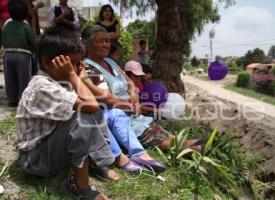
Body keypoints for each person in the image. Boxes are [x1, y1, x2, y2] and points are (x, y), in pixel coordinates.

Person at [16, 28, 113, 200]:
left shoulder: (60, 81)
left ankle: (95, 162)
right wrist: (74, 77)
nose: (75, 69)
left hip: (49, 149)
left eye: (77, 63)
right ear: (47, 63)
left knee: (92, 112)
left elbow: (94, 105)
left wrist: (76, 77)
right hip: (34, 160)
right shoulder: (42, 86)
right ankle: (80, 185)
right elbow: (91, 106)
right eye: (71, 64)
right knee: (82, 115)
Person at [81, 25, 203, 154]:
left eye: (107, 41)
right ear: (87, 45)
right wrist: (132, 105)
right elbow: (107, 99)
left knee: (173, 138)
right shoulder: (88, 68)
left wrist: (134, 95)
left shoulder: (111, 63)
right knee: (176, 145)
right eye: (100, 41)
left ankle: (200, 145)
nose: (106, 45)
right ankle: (201, 148)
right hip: (121, 120)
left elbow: (129, 81)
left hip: (135, 115)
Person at [2, 0, 37, 107]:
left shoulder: (7, 24)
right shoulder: (25, 26)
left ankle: (12, 99)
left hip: (8, 54)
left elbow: (3, 37)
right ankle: (23, 99)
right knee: (24, 78)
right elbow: (32, 41)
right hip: (23, 55)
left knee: (9, 78)